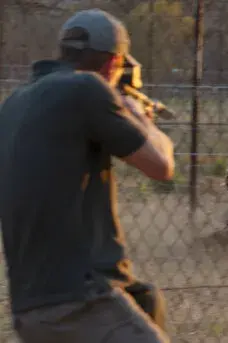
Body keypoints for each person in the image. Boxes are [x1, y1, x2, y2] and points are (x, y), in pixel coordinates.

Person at [0, 8, 173, 343]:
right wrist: (141, 118)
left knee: (147, 299)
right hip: (82, 302)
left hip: (29, 308)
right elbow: (162, 166)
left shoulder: (14, 103)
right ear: (112, 64)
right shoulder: (87, 88)